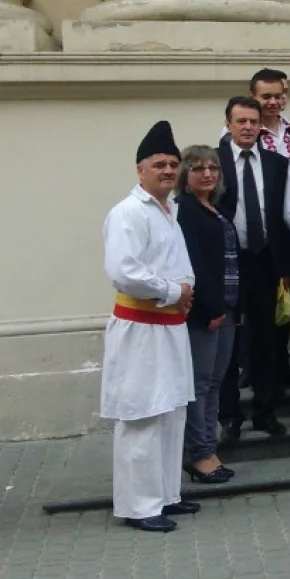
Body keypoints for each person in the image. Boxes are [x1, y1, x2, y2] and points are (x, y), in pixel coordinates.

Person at [102, 121, 198, 533]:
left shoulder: (170, 210)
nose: (168, 170)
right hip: (141, 328)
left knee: (171, 409)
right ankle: (139, 506)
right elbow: (124, 272)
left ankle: (164, 495)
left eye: (173, 164)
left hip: (170, 327)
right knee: (142, 413)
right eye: (159, 164)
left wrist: (183, 290)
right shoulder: (127, 213)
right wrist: (172, 290)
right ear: (140, 170)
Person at [217, 96, 290, 443]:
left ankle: (266, 412)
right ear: (229, 124)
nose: (248, 127)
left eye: (253, 122)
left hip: (266, 260)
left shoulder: (279, 163)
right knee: (229, 342)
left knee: (267, 340)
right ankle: (230, 417)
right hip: (228, 263)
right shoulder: (213, 161)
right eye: (241, 121)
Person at [176, 145, 239, 484]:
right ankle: (198, 454)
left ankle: (209, 448)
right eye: (198, 168)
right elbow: (194, 265)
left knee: (215, 382)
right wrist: (211, 308)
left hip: (226, 309)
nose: (207, 173)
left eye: (213, 167)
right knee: (199, 384)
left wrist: (232, 306)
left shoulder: (214, 208)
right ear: (186, 174)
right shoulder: (185, 210)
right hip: (204, 313)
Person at [244, 68, 290, 158]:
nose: (273, 102)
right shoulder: (241, 131)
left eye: (277, 97)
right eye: (266, 97)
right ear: (252, 97)